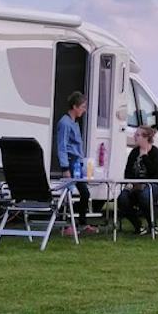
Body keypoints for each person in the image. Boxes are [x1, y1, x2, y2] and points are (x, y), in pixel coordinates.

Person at [54, 91, 93, 233]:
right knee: (68, 194)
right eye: (82, 106)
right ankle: (65, 225)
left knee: (85, 193)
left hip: (77, 163)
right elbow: (62, 145)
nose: (84, 110)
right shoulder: (65, 123)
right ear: (75, 106)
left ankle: (82, 223)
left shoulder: (74, 123)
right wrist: (65, 167)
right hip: (69, 163)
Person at [118, 126, 158, 235]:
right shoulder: (134, 152)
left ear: (146, 138)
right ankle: (138, 226)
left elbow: (156, 173)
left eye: (137, 135)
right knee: (122, 199)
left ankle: (152, 225)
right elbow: (128, 172)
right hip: (135, 185)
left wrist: (145, 157)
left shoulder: (156, 153)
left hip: (153, 185)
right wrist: (131, 183)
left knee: (144, 195)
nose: (134, 137)